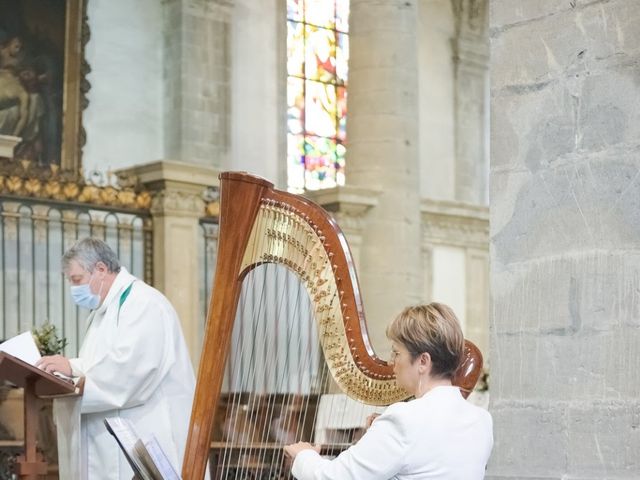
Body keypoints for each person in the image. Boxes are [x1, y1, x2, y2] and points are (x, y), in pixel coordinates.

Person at [36, 237, 196, 479]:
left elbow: (129, 373)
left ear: (100, 269)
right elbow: (97, 366)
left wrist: (70, 369)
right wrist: (68, 368)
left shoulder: (145, 303)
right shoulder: (105, 311)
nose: (73, 289)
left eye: (76, 280)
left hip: (145, 433)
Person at [283, 303, 493, 480]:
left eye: (396, 353)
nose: (392, 363)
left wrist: (304, 456)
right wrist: (377, 435)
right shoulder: (481, 420)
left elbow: (332, 477)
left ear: (423, 361)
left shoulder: (404, 419)